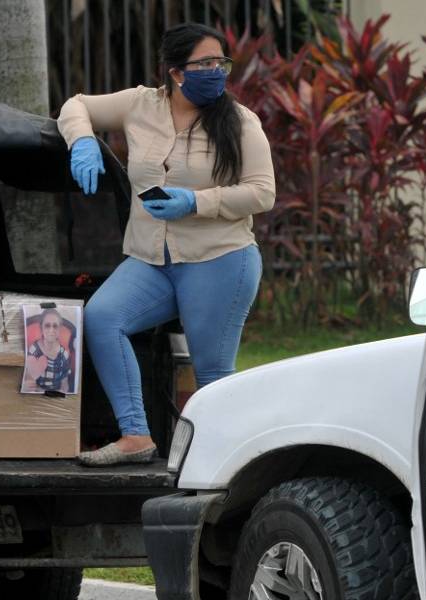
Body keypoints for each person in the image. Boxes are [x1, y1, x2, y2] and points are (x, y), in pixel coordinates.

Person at [57, 23, 274, 466]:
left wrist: (196, 201)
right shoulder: (141, 105)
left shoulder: (240, 121)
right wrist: (82, 141)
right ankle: (136, 435)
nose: (216, 71)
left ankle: (225, 462)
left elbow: (262, 192)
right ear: (176, 72)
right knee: (102, 317)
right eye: (204, 63)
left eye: (220, 63)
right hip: (152, 256)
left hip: (219, 258)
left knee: (211, 371)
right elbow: (76, 105)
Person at [24, 308, 72, 394]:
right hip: (37, 395)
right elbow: (29, 378)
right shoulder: (34, 350)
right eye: (47, 325)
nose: (51, 330)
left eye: (55, 326)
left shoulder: (64, 355)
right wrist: (27, 385)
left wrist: (62, 394)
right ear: (41, 328)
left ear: (59, 329)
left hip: (56, 396)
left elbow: (64, 384)